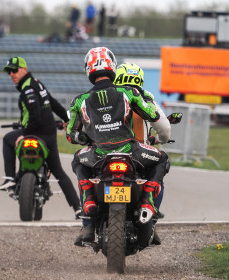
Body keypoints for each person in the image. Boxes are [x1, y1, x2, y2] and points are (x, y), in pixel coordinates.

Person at [67, 47, 170, 245]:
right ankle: (148, 199)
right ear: (112, 66)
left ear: (88, 69)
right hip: (131, 151)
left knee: (77, 161)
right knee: (162, 159)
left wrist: (84, 137)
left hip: (97, 154)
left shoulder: (79, 100)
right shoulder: (128, 92)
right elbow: (152, 115)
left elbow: (71, 135)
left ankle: (88, 200)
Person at [0, 56, 81, 218]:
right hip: (49, 134)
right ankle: (78, 208)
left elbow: (35, 115)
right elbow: (53, 103)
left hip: (36, 132)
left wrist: (23, 135)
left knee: (8, 139)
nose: (12, 74)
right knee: (58, 172)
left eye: (14, 70)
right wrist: (66, 120)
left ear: (24, 69)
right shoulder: (37, 83)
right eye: (9, 72)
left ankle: (10, 178)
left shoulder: (28, 89)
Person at [113, 63, 171, 245]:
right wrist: (161, 138)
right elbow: (164, 127)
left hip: (105, 151)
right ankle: (151, 219)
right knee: (160, 169)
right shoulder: (145, 97)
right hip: (138, 153)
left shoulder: (105, 95)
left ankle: (87, 221)